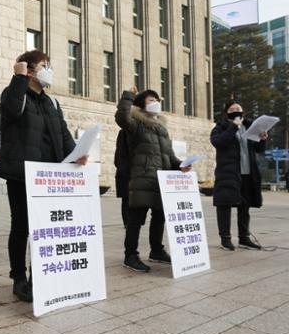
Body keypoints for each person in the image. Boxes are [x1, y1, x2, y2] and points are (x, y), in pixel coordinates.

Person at [0, 49, 87, 302]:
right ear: (29, 70)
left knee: (45, 229)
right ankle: (18, 277)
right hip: (22, 174)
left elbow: (63, 133)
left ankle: (41, 276)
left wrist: (77, 153)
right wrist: (18, 79)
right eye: (44, 65)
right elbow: (11, 112)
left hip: (50, 178)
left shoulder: (51, 102)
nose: (49, 70)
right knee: (22, 227)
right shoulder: (15, 93)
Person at [115, 87, 192, 273]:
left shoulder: (162, 129)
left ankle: (156, 250)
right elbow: (121, 117)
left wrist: (181, 165)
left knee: (159, 217)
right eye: (151, 100)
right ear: (141, 105)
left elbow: (170, 156)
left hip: (162, 181)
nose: (156, 102)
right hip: (142, 179)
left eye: (157, 99)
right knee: (136, 219)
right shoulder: (135, 123)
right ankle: (130, 255)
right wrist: (127, 96)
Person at [211, 101, 267, 250]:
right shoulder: (219, 128)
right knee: (224, 206)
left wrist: (262, 139)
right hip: (228, 174)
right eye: (232, 109)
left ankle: (244, 238)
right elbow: (219, 143)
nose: (236, 110)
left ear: (243, 112)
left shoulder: (250, 127)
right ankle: (226, 239)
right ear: (226, 113)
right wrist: (233, 127)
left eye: (239, 108)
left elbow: (258, 150)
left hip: (247, 173)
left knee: (244, 207)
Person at [114, 130, 130, 227]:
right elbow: (119, 155)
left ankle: (130, 222)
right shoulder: (124, 132)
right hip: (126, 173)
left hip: (136, 172)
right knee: (127, 199)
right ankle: (127, 222)